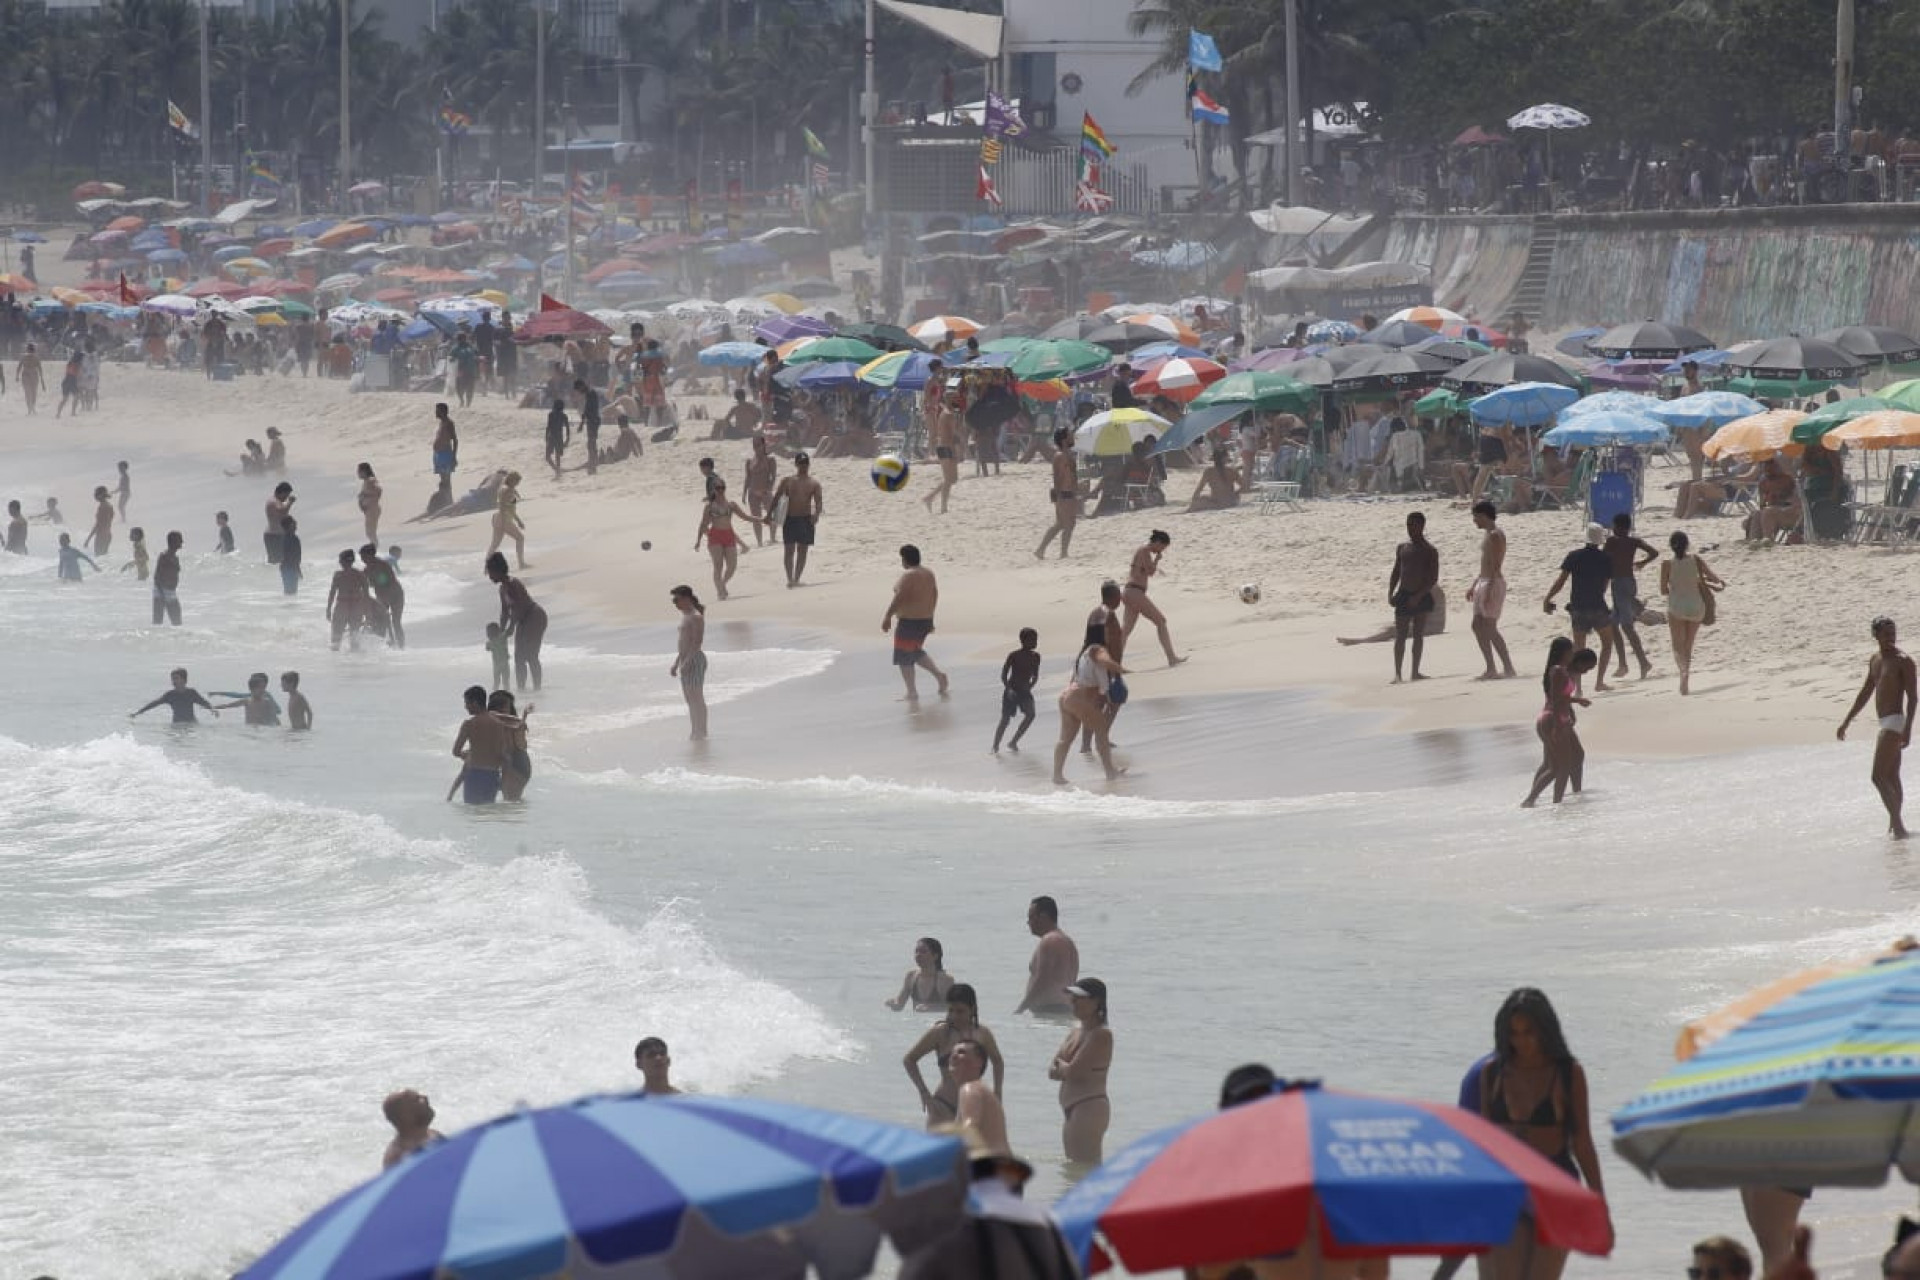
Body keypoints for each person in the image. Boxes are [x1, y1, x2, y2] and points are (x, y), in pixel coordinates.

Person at [1474, 988, 1607, 1280]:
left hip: (1555, 1187)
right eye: (1514, 1033)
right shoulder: (1492, 1073)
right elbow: (1485, 1143)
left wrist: (1598, 1201)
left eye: (1529, 1032)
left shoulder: (1568, 1073)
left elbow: (1582, 1142)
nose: (1521, 1041)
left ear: (1545, 1030)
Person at [1838, 616, 1917, 838]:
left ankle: (1898, 827)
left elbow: (1913, 698)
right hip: (1885, 722)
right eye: (1886, 634)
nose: (1891, 638)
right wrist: (1847, 720)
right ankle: (1896, 824)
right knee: (1891, 776)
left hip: (1895, 722)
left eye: (1893, 633)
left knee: (1877, 777)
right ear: (1876, 635)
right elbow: (1865, 692)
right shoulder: (1875, 659)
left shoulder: (1904, 661)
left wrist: (1908, 729)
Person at [904, 984, 1005, 1127]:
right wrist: (924, 1093)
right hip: (943, 1106)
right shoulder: (940, 1032)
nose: (954, 1016)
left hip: (973, 1106)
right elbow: (909, 1060)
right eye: (951, 1010)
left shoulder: (983, 1034)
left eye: (960, 1011)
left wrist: (997, 1094)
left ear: (973, 1009)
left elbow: (998, 1062)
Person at [1543, 524, 1618, 692]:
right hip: (1597, 606)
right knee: (1607, 643)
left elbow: (1561, 581)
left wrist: (1548, 598)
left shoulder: (1574, 556)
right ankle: (1599, 682)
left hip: (1578, 606)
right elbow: (1605, 585)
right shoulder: (1606, 558)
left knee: (1578, 648)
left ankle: (1578, 688)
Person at [1523, 641, 1595, 808]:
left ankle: (1566, 798)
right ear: (1564, 652)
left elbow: (1562, 697)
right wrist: (1557, 725)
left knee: (1572, 758)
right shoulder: (1557, 670)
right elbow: (1556, 699)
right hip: (1552, 719)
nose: (1572, 654)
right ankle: (1540, 802)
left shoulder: (1561, 670)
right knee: (1559, 767)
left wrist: (1571, 710)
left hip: (1560, 719)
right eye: (1571, 651)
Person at [1050, 978, 1112, 1164]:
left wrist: (1064, 1067)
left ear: (1096, 1001)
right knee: (1073, 1168)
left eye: (1079, 998)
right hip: (1072, 1108)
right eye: (1072, 997)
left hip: (1089, 1106)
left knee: (1086, 1166)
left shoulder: (1101, 1034)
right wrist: (1064, 1068)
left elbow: (1072, 1072)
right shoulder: (1075, 1032)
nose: (1073, 1002)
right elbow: (1052, 1071)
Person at [1661, 530, 1724, 696]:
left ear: (1671, 546)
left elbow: (1663, 590)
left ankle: (1682, 672)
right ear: (1687, 545)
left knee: (1677, 646)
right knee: (1688, 644)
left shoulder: (1667, 564)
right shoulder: (1696, 559)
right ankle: (1686, 681)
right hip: (1696, 606)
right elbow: (1714, 578)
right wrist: (1709, 581)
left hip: (1677, 606)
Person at [883, 544, 950, 700]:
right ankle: (939, 676)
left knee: (903, 656)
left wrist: (887, 616)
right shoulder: (929, 573)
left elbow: (900, 596)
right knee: (914, 651)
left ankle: (911, 692)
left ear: (904, 559)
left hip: (909, 621)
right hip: (925, 620)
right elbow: (934, 594)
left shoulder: (909, 575)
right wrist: (931, 617)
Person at [1604, 512, 1659, 680]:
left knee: (1626, 626)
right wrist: (1642, 563)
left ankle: (1643, 662)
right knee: (1613, 624)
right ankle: (1623, 664)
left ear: (1617, 527)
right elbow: (1654, 552)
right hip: (1628, 582)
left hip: (1619, 583)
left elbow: (1604, 559)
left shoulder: (1612, 541)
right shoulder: (1634, 541)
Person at [1388, 511, 1439, 683]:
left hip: (1421, 596)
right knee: (1400, 635)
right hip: (1403, 594)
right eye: (1408, 525)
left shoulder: (1429, 550)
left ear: (1422, 526)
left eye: (1413, 525)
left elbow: (1433, 578)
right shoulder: (1402, 547)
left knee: (1418, 635)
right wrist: (1390, 592)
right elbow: (1396, 571)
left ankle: (1415, 672)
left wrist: (1419, 596)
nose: (1410, 528)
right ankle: (1397, 674)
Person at [1468, 500, 1516, 680]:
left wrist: (1489, 589)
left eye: (1476, 517)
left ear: (1484, 515)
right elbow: (1485, 563)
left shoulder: (1496, 535)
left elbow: (1496, 564)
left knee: (1490, 627)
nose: (1474, 521)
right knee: (1476, 625)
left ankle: (1508, 667)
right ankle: (1490, 667)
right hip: (1484, 581)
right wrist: (1475, 584)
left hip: (1493, 583)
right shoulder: (1488, 534)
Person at [1122, 531, 1185, 667]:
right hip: (1135, 592)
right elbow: (1150, 571)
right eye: (1162, 547)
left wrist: (1155, 560)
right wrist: (1157, 560)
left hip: (1130, 592)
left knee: (1125, 630)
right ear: (1157, 542)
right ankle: (1171, 658)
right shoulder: (1145, 550)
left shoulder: (1142, 551)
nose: (1161, 550)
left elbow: (1145, 571)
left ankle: (1115, 662)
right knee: (1161, 621)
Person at [488, 552, 548, 691]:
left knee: (531, 656)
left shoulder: (513, 584)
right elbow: (505, 612)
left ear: (498, 570)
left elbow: (519, 607)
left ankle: (537, 689)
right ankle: (522, 690)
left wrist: (511, 627)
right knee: (518, 658)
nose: (490, 576)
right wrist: (501, 631)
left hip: (534, 616)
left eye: (491, 572)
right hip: (523, 621)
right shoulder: (502, 589)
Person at [695, 481, 761, 601]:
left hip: (729, 536)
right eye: (718, 488)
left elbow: (745, 517)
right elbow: (703, 524)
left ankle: (722, 584)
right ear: (714, 490)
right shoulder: (709, 506)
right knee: (718, 566)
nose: (720, 490)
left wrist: (761, 519)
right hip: (715, 536)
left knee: (732, 566)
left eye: (722, 488)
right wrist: (698, 541)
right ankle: (721, 592)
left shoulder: (731, 505)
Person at [1015, 896, 1079, 1015]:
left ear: (1043, 917)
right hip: (1066, 1009)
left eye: (1031, 917)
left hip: (1048, 1010)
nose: (1028, 922)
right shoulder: (1069, 943)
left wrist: (1021, 1008)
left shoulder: (1050, 940)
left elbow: (1042, 979)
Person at [771, 453, 823, 587]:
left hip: (806, 519)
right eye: (800, 463)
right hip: (790, 519)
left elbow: (818, 501)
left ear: (808, 464)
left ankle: (797, 579)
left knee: (803, 550)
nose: (803, 466)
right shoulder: (787, 481)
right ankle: (790, 579)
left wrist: (816, 514)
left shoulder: (814, 483)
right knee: (789, 550)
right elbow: (776, 498)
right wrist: (769, 515)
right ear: (796, 464)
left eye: (805, 463)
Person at [451, 684, 509, 803]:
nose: (465, 707)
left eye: (467, 703)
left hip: (474, 775)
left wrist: (466, 754)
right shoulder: (499, 724)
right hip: (492, 776)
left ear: (475, 703)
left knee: (472, 812)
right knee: (487, 812)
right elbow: (501, 753)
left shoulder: (469, 724)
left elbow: (456, 751)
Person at [951, 1039, 1010, 1155]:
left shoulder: (970, 1089)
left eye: (961, 1052)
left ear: (979, 1062)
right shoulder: (980, 1090)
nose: (954, 1056)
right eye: (952, 1053)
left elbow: (969, 1129)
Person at [1034, 428, 1080, 559]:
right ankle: (1063, 553)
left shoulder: (1066, 455)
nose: (1073, 438)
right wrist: (1059, 496)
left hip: (1067, 493)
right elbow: (1058, 478)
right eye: (1070, 436)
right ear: (1064, 440)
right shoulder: (1061, 456)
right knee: (1068, 524)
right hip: (1064, 493)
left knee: (1062, 524)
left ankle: (1041, 550)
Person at [670, 584, 708, 740]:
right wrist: (676, 662)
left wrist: (687, 662)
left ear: (686, 598)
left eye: (677, 600)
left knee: (696, 697)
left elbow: (697, 642)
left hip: (695, 659)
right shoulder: (685, 615)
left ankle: (702, 731)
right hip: (685, 659)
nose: (675, 604)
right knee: (689, 699)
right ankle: (695, 730)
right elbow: (683, 643)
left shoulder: (696, 616)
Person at [994, 628, 1041, 753]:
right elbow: (1004, 674)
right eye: (1032, 640)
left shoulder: (1036, 656)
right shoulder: (1014, 655)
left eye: (1036, 639)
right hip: (1012, 690)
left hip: (1025, 691)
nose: (1035, 642)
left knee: (1031, 715)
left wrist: (1030, 686)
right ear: (1023, 641)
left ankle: (1013, 742)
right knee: (1005, 720)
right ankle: (995, 747)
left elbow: (1035, 675)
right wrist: (1008, 689)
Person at [489, 690, 534, 801]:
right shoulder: (496, 724)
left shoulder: (515, 725)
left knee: (511, 801)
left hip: (517, 765)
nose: (501, 713)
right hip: (515, 765)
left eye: (503, 709)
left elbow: (521, 746)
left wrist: (523, 719)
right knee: (512, 802)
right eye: (498, 709)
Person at [380, 1090, 443, 1169]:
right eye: (417, 1099)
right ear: (405, 1116)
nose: (426, 1098)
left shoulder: (434, 1135)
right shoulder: (397, 1157)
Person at [887, 938, 955, 1011]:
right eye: (916, 951)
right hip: (916, 1018)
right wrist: (893, 1004)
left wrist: (931, 1008)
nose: (918, 955)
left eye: (923, 952)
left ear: (935, 956)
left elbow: (954, 1008)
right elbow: (899, 1005)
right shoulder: (911, 976)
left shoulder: (945, 979)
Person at [360, 545, 406, 649]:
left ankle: (401, 646)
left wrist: (370, 582)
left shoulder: (382, 565)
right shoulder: (367, 570)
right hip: (383, 596)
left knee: (395, 622)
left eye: (363, 557)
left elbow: (385, 581)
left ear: (371, 555)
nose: (362, 559)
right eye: (361, 557)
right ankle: (389, 644)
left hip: (396, 596)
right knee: (381, 622)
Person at [131, 668, 217, 723]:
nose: (173, 681)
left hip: (191, 724)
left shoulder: (191, 693)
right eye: (172, 679)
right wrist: (138, 713)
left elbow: (203, 702)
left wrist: (212, 709)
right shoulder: (170, 695)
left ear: (184, 680)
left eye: (176, 678)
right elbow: (154, 704)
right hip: (176, 726)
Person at [327, 550, 369, 651]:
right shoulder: (360, 575)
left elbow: (332, 593)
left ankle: (335, 659)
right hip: (356, 607)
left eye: (340, 560)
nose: (339, 562)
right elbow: (366, 595)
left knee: (335, 641)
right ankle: (354, 660)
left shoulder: (338, 575)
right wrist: (367, 611)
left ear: (343, 561)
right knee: (354, 641)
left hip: (342, 606)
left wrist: (328, 609)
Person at [486, 471, 527, 569]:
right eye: (517, 481)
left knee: (495, 544)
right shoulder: (507, 490)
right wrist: (516, 521)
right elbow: (503, 506)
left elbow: (509, 506)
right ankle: (521, 564)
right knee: (520, 538)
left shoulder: (503, 488)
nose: (518, 484)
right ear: (512, 480)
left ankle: (487, 567)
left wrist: (517, 520)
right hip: (503, 518)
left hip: (497, 518)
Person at [743, 434, 778, 546]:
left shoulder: (770, 459)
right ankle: (759, 542)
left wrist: (768, 489)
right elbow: (748, 478)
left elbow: (773, 477)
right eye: (754, 445)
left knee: (771, 515)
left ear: (764, 445)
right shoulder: (750, 461)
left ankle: (772, 538)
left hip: (765, 491)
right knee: (756, 518)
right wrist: (744, 493)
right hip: (752, 492)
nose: (756, 447)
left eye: (758, 445)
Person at [212, 672, 283, 726]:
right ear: (252, 689)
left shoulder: (267, 700)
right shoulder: (247, 700)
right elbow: (228, 704)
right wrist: (211, 707)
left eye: (263, 687)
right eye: (260, 688)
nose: (262, 690)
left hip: (263, 729)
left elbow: (277, 713)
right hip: (250, 730)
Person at [1185, 446, 1241, 512]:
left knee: (1201, 499)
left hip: (1216, 502)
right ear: (1225, 458)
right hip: (1230, 501)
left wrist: (1194, 500)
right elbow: (1244, 486)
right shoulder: (1232, 471)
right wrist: (1236, 493)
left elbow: (1199, 489)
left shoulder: (1209, 472)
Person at [151, 531, 184, 626]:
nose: (182, 542)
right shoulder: (166, 557)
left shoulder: (169, 556)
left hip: (163, 590)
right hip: (165, 591)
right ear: (173, 542)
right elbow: (157, 575)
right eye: (180, 540)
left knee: (158, 620)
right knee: (176, 620)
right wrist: (161, 591)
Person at [575, 378, 602, 472]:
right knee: (591, 443)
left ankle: (593, 463)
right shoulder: (590, 393)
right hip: (593, 420)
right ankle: (593, 462)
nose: (579, 392)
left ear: (581, 387)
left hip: (593, 421)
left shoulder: (591, 394)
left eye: (578, 390)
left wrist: (581, 424)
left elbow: (587, 410)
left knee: (591, 443)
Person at [264, 482, 294, 565]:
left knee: (279, 561)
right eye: (286, 495)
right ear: (282, 492)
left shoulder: (275, 501)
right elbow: (282, 511)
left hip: (275, 535)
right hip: (274, 535)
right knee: (276, 561)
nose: (286, 498)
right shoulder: (273, 501)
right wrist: (290, 502)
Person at [83, 486, 114, 558]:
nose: (95, 496)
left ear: (101, 495)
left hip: (101, 536)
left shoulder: (102, 507)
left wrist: (88, 539)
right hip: (107, 535)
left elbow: (98, 525)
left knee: (99, 558)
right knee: (104, 558)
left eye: (96, 494)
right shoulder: (109, 506)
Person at [356, 463, 383, 545]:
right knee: (369, 533)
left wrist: (365, 495)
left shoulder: (370, 480)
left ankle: (375, 548)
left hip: (372, 510)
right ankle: (374, 547)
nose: (358, 473)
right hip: (369, 510)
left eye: (359, 471)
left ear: (364, 471)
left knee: (370, 533)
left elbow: (378, 490)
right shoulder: (366, 481)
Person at [544, 398, 570, 478]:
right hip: (558, 437)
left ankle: (557, 471)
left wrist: (546, 437)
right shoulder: (563, 416)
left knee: (549, 457)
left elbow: (548, 427)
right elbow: (567, 428)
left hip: (553, 437)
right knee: (556, 457)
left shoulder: (552, 414)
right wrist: (567, 439)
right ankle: (557, 470)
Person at [278, 516, 302, 596]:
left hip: (287, 567)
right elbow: (292, 556)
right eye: (294, 524)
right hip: (290, 567)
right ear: (290, 526)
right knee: (291, 591)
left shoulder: (285, 538)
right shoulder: (292, 539)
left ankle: (288, 603)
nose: (296, 525)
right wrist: (297, 568)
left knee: (289, 591)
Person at [486, 623, 511, 690]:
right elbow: (508, 632)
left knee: (496, 681)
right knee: (506, 681)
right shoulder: (503, 637)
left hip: (496, 664)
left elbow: (487, 648)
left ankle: (495, 691)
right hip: (505, 663)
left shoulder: (490, 642)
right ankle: (506, 691)